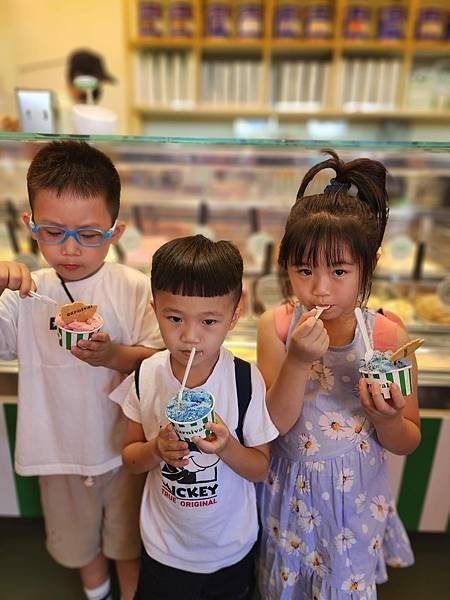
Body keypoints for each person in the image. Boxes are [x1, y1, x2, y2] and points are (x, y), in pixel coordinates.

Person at [0, 141, 164, 600]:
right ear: (30, 226)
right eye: (53, 232)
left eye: (88, 234)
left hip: (123, 450)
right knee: (78, 547)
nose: (70, 248)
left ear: (116, 232)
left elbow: (159, 358)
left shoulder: (133, 288)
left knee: (129, 543)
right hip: (59, 450)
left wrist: (114, 356)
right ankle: (98, 593)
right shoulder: (25, 294)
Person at [256, 149, 420, 599]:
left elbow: (408, 439)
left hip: (354, 501)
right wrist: (297, 361)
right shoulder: (279, 326)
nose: (320, 287)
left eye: (340, 270)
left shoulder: (387, 336)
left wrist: (387, 417)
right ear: (285, 264)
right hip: (290, 492)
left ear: (368, 267)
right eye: (304, 270)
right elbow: (273, 425)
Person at [115, 234, 278, 600]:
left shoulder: (244, 380)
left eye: (209, 321)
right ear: (154, 308)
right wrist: (156, 449)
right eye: (174, 318)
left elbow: (260, 469)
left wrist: (226, 447)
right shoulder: (147, 374)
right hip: (165, 547)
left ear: (236, 314)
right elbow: (129, 459)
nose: (190, 337)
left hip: (229, 548)